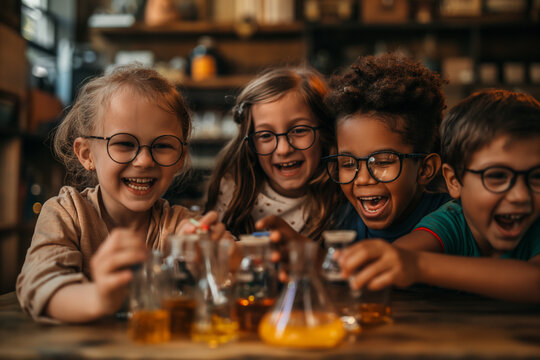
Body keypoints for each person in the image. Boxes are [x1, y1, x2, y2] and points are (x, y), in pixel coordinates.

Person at [16, 65, 227, 323]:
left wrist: (220, 255)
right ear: (87, 154)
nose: (144, 161)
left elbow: (231, 277)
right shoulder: (65, 213)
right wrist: (100, 297)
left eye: (162, 145)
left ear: (181, 157)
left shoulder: (180, 226)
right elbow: (39, 285)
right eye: (125, 143)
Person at [337, 89, 540, 303]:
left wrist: (418, 266)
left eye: (537, 176)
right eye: (497, 176)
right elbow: (394, 259)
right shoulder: (450, 221)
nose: (520, 196)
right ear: (454, 181)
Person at [321, 53, 450, 242]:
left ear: (425, 169)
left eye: (382, 162)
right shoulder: (340, 221)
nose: (363, 179)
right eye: (348, 163)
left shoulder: (454, 221)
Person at [205, 67, 342, 240]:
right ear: (250, 143)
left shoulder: (342, 195)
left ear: (324, 132)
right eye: (266, 135)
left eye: (299, 130)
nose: (284, 149)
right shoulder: (232, 194)